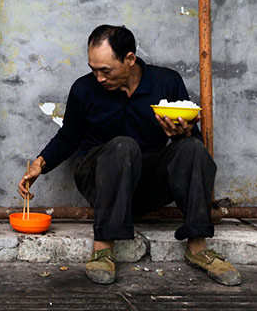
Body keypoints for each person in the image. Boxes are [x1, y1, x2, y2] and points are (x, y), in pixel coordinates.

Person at [19, 24, 241, 286]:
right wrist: (40, 164)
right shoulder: (84, 89)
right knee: (123, 145)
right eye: (93, 69)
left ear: (130, 59)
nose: (99, 77)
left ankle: (198, 248)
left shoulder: (166, 83)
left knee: (192, 147)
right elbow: (69, 137)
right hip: (98, 179)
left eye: (105, 70)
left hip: (147, 184)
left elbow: (194, 145)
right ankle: (102, 247)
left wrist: (181, 134)